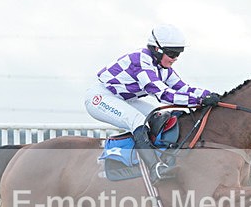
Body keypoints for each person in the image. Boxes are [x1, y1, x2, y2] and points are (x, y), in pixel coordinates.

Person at [85, 24, 219, 183]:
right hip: (101, 97)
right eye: (172, 53)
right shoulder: (141, 62)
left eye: (178, 54)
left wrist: (209, 95)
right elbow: (164, 95)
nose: (175, 58)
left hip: (124, 98)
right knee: (138, 120)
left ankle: (161, 157)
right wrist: (199, 101)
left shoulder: (162, 67)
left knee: (159, 115)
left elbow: (183, 88)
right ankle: (154, 168)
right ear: (157, 49)